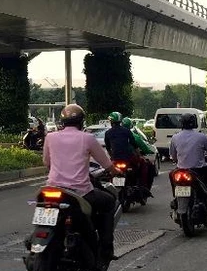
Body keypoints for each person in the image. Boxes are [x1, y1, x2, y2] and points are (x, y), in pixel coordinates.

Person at [42, 104, 117, 261]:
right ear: (82, 122)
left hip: (53, 188)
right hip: (80, 192)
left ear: (62, 122)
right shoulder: (87, 138)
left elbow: (47, 163)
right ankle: (106, 248)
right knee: (110, 202)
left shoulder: (50, 137)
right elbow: (106, 164)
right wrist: (115, 171)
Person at [169, 113, 207, 213]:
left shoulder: (175, 137)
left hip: (181, 169)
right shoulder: (202, 137)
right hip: (199, 170)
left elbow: (173, 156)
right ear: (194, 123)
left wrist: (178, 161)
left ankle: (175, 197)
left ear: (181, 123)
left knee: (171, 174)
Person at [122, 117, 156, 192]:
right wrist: (149, 151)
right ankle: (143, 186)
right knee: (146, 164)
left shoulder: (111, 134)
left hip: (116, 159)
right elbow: (143, 147)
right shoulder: (133, 135)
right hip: (130, 159)